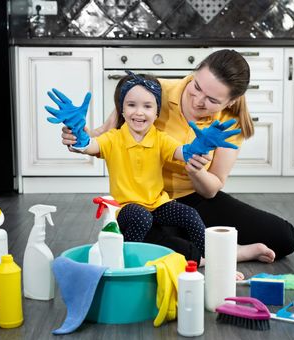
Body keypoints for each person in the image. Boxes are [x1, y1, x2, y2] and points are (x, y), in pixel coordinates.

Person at [60, 49, 294, 266]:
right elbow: (104, 137)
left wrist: (196, 171)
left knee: (284, 238)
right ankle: (230, 252)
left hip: (192, 199)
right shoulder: (149, 93)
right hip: (141, 201)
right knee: (141, 229)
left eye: (212, 100)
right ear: (193, 74)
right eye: (197, 87)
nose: (198, 101)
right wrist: (77, 136)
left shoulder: (229, 123)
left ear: (231, 101)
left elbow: (211, 189)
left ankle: (191, 243)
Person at [45, 71, 240, 261]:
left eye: (147, 106)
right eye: (131, 105)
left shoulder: (161, 139)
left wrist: (201, 145)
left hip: (157, 204)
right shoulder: (113, 139)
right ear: (122, 110)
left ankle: (216, 261)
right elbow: (89, 146)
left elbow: (183, 152)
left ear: (157, 112)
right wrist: (78, 132)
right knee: (141, 218)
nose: (139, 112)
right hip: (125, 208)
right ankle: (125, 263)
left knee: (190, 214)